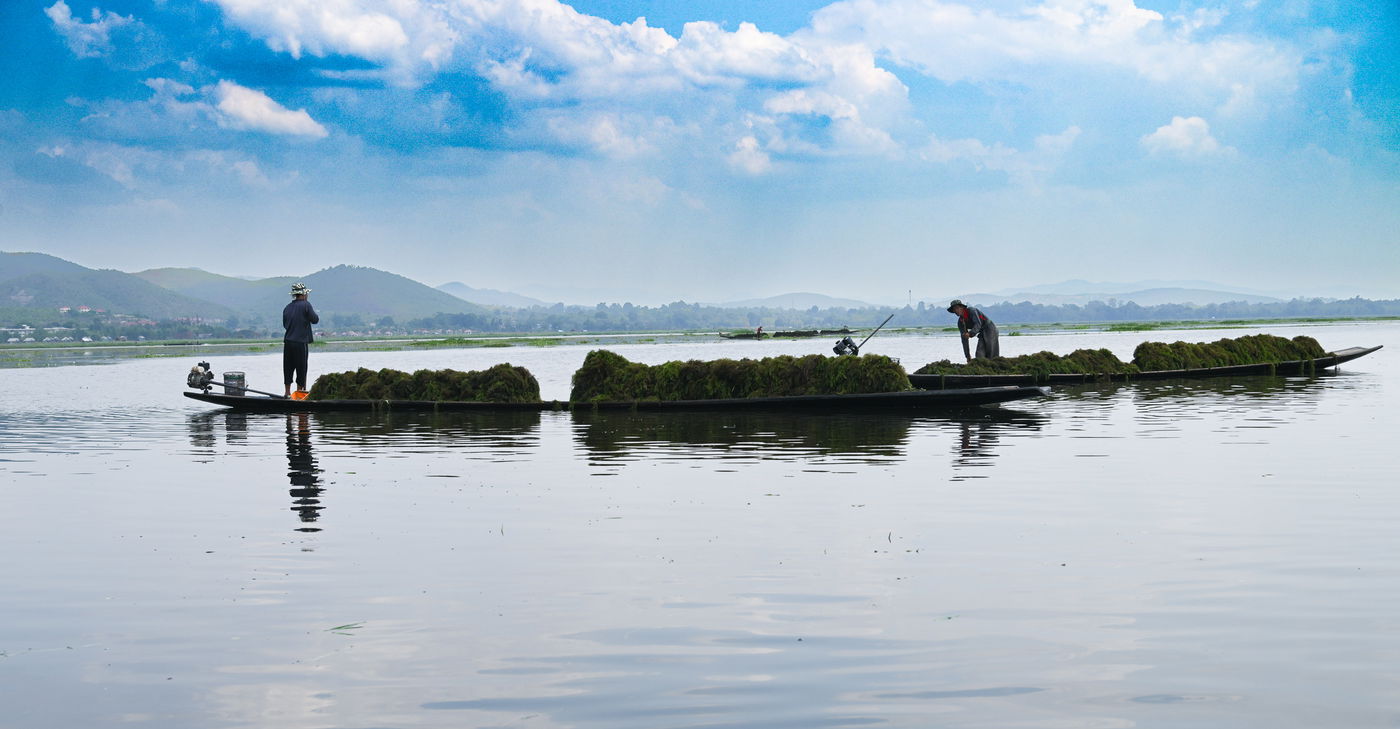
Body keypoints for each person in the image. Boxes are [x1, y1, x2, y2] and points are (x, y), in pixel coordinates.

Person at [282, 282, 319, 397]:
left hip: (288, 342)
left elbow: (285, 325)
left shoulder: (287, 307)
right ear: (303, 294)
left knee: (288, 367)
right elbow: (315, 319)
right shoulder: (306, 305)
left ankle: (287, 393)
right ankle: (300, 393)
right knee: (301, 367)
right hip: (300, 342)